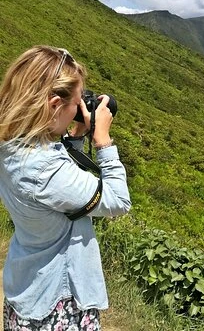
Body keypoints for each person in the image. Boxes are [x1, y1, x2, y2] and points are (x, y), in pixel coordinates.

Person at [0, 46, 131, 330]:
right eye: (76, 101)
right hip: (57, 306)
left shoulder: (12, 146)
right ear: (54, 104)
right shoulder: (45, 169)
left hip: (27, 286)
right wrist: (104, 141)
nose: (79, 108)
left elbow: (55, 180)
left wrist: (76, 137)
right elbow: (118, 200)